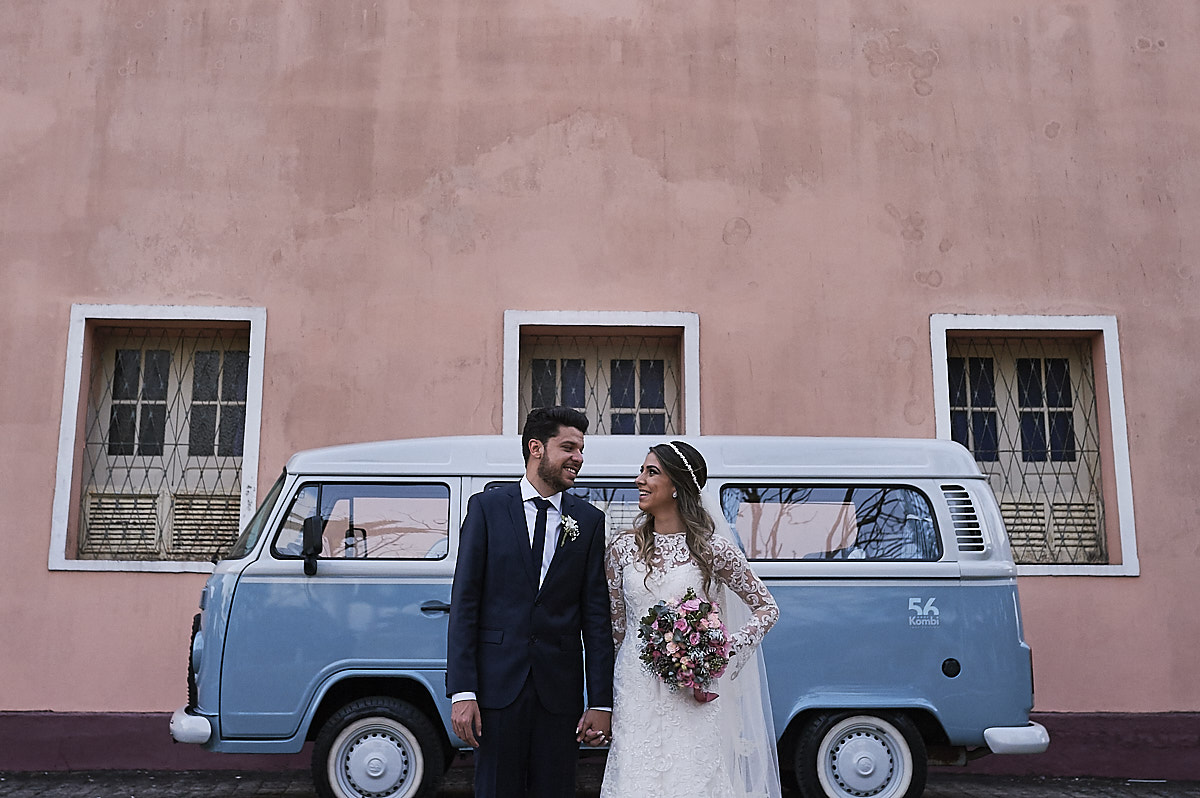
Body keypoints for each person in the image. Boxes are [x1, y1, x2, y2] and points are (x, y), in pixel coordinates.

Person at [447, 406, 615, 798]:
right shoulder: (486, 508)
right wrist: (463, 691)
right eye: (569, 447)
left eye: (581, 449)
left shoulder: (588, 520)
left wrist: (601, 702)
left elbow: (595, 617)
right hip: (496, 689)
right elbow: (465, 602)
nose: (579, 458)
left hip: (560, 694)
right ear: (536, 448)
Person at [602, 441, 781, 798]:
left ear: (677, 486)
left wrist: (716, 655)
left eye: (651, 472)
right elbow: (616, 629)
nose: (639, 480)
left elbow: (767, 609)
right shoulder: (622, 548)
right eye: (641, 471)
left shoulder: (713, 549)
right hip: (634, 689)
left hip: (691, 691)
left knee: (693, 780)